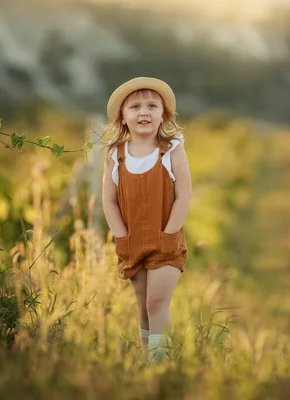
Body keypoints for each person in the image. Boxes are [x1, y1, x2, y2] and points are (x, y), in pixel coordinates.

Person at [101, 77, 191, 365]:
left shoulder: (172, 148)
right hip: (131, 242)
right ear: (123, 118)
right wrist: (122, 238)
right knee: (143, 307)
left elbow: (184, 195)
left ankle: (160, 366)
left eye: (152, 106)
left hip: (166, 238)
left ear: (163, 115)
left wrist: (169, 234)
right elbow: (109, 201)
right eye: (135, 106)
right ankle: (146, 362)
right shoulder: (115, 155)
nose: (144, 112)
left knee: (156, 303)